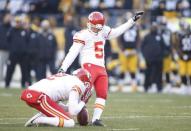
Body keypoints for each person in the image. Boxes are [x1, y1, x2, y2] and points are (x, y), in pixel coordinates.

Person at [58, 11, 144, 126]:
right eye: (93, 26)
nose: (95, 29)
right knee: (83, 95)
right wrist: (63, 67)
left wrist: (131, 21)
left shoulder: (103, 30)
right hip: (88, 67)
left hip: (101, 67)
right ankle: (64, 110)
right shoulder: (82, 34)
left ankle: (96, 119)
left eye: (97, 27)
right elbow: (72, 52)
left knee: (102, 93)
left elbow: (118, 31)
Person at [20, 68, 92, 127]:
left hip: (33, 93)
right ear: (85, 82)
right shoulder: (79, 84)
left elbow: (66, 108)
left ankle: (43, 117)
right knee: (69, 123)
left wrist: (79, 103)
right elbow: (73, 112)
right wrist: (83, 101)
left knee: (63, 115)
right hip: (39, 96)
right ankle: (38, 120)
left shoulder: (68, 78)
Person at [141, 23, 166, 92]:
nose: (154, 28)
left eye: (155, 27)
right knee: (148, 73)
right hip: (149, 59)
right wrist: (145, 56)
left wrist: (162, 55)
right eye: (152, 27)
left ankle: (159, 87)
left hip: (158, 59)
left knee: (159, 74)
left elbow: (163, 47)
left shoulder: (160, 36)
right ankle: (147, 87)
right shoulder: (147, 37)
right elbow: (142, 47)